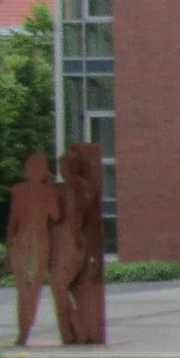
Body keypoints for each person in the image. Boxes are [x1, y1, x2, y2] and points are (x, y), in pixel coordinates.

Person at [5, 154, 61, 346]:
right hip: (38, 242)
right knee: (32, 291)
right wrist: (52, 186)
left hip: (21, 242)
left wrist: (8, 250)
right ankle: (25, 331)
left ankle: (23, 333)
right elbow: (55, 216)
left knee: (23, 292)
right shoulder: (48, 192)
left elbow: (12, 223)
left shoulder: (19, 190)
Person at [55, 144, 108, 345]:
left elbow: (61, 217)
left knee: (60, 289)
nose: (62, 170)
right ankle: (78, 329)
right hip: (77, 244)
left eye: (64, 166)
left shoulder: (69, 189)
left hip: (70, 245)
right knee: (64, 289)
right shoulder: (85, 187)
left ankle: (75, 330)